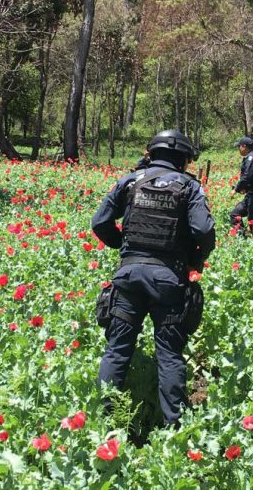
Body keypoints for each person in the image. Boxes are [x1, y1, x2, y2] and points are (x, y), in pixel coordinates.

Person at [91, 130, 216, 426]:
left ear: (151, 153)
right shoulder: (190, 187)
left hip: (129, 275)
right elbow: (205, 232)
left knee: (118, 349)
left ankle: (103, 423)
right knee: (169, 353)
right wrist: (195, 259)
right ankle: (175, 428)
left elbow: (100, 222)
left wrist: (123, 246)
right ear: (184, 160)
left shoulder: (130, 181)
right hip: (169, 280)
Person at [229, 137, 253, 238]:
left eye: (239, 146)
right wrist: (245, 188)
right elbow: (251, 179)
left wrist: (235, 190)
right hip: (251, 195)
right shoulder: (251, 157)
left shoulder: (252, 158)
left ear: (244, 146)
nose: (238, 149)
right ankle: (242, 237)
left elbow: (246, 177)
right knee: (235, 214)